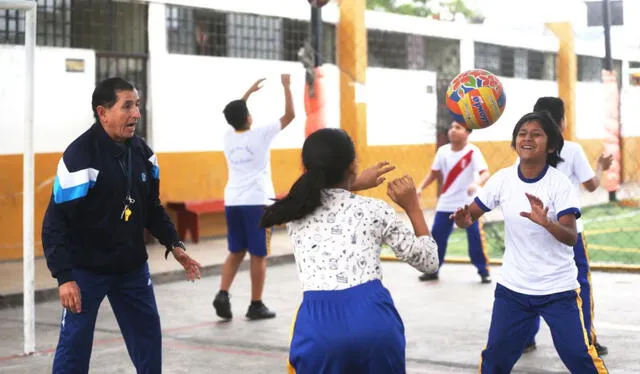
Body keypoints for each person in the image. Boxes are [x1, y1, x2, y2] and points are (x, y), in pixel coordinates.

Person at [42, 77, 202, 373]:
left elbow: (151, 208)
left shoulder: (144, 155)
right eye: (127, 106)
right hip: (85, 271)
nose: (136, 114)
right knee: (74, 346)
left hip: (131, 269)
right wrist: (64, 277)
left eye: (137, 105)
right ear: (103, 113)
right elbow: (55, 222)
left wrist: (174, 244)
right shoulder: (80, 157)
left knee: (148, 339)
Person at [260, 128, 439, 374]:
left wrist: (352, 184)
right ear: (353, 164)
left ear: (305, 167)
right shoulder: (376, 210)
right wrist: (413, 208)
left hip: (318, 328)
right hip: (374, 323)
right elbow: (429, 262)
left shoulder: (294, 212)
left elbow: (325, 197)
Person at [452, 111, 608, 373]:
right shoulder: (502, 179)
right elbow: (469, 218)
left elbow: (571, 237)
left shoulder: (559, 184)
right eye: (522, 134)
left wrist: (547, 222)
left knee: (579, 357)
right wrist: (461, 219)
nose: (527, 138)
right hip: (513, 290)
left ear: (552, 146)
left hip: (558, 290)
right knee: (495, 360)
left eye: (536, 134)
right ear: (515, 142)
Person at [523, 97, 612, 356]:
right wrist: (600, 167)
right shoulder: (571, 149)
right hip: (568, 228)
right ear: (561, 121)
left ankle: (526, 337)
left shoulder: (527, 148)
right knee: (578, 283)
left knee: (528, 281)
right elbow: (591, 185)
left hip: (534, 227)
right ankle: (587, 338)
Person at [212, 74, 295, 320]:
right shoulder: (260, 134)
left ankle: (222, 294)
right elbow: (289, 116)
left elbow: (235, 111)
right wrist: (286, 86)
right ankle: (256, 304)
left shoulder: (229, 137)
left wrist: (248, 93)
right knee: (258, 254)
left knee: (236, 251)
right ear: (248, 117)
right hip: (257, 202)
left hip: (233, 201)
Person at [417, 121, 491, 283]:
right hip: (446, 202)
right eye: (451, 127)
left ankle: (483, 270)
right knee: (437, 236)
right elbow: (434, 173)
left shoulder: (472, 151)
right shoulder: (442, 151)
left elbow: (485, 173)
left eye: (458, 128)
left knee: (475, 237)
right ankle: (432, 270)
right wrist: (420, 187)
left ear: (467, 132)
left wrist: (476, 183)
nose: (452, 130)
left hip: (468, 204)